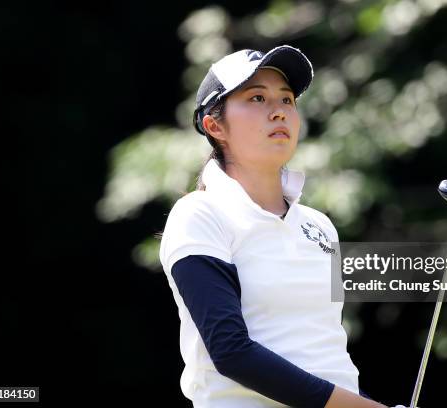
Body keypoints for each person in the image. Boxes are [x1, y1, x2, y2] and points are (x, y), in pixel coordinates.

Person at [160, 45, 408, 408]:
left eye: (288, 100)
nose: (278, 112)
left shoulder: (320, 227)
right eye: (257, 97)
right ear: (215, 125)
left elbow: (326, 357)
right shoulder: (199, 214)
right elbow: (231, 352)